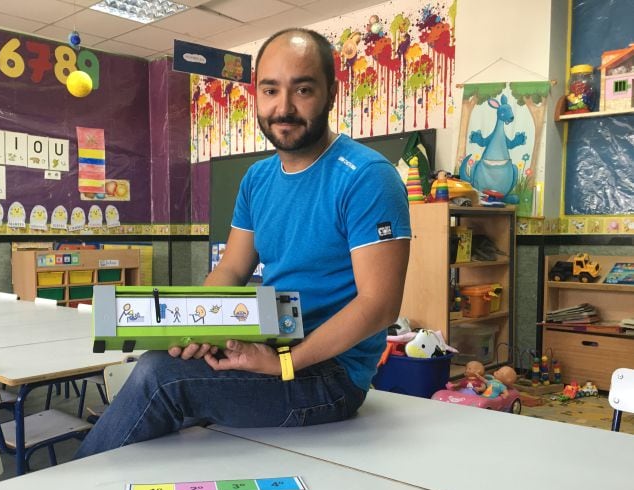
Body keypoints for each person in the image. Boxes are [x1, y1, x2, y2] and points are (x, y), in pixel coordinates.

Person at [75, 28, 411, 459]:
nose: (283, 108)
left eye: (303, 89)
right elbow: (231, 271)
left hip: (329, 377)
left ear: (331, 93)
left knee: (161, 376)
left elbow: (379, 305)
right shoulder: (258, 179)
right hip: (269, 343)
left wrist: (284, 363)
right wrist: (200, 330)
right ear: (257, 95)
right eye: (270, 90)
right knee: (161, 373)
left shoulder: (366, 177)